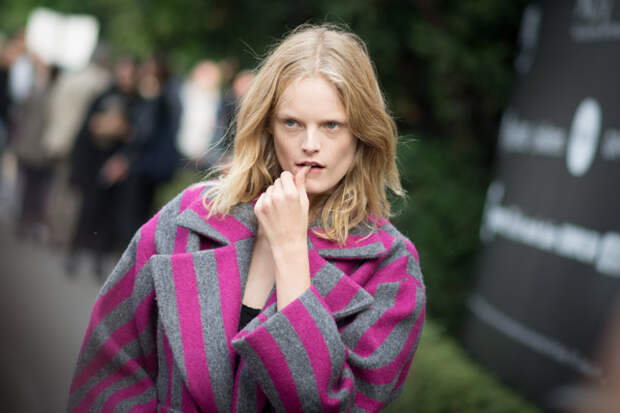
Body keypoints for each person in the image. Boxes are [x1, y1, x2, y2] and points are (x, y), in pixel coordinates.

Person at [68, 24, 426, 412]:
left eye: (331, 125)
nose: (310, 144)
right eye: (292, 123)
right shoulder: (190, 217)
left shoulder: (391, 267)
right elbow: (109, 370)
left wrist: (291, 251)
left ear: (362, 132)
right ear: (268, 125)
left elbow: (332, 404)